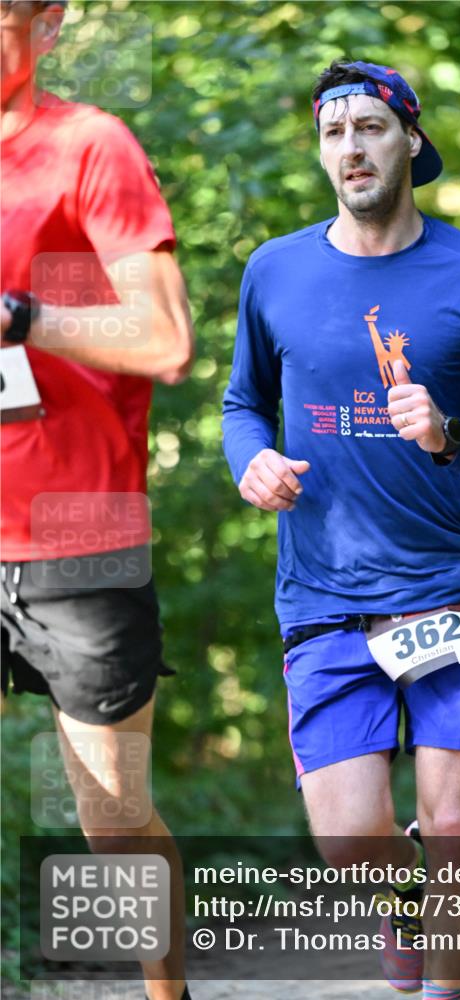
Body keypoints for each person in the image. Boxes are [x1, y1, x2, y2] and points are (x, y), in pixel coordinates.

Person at [223, 59, 460, 999]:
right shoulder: (274, 270)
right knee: (347, 844)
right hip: (324, 597)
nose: (350, 149)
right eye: (332, 134)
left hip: (452, 587)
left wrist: (452, 434)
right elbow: (242, 402)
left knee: (455, 828)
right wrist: (247, 459)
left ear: (409, 140)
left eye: (368, 128)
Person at [1, 3, 195, 998]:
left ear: (49, 21)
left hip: (76, 531)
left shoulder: (88, 147)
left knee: (112, 818)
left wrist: (20, 317)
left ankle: (169, 993)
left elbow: (163, 340)